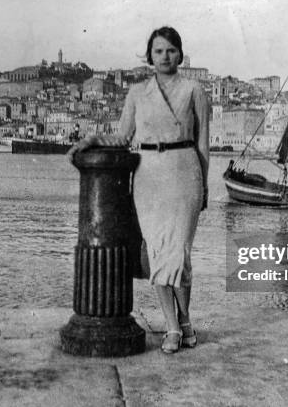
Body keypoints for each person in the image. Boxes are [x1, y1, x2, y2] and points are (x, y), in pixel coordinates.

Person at [69, 26, 209, 354]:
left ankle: (185, 319)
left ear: (180, 54)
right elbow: (122, 137)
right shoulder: (136, 93)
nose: (165, 56)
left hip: (184, 172)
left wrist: (203, 186)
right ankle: (173, 326)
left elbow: (203, 146)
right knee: (157, 253)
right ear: (150, 56)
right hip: (149, 176)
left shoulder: (194, 90)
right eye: (158, 51)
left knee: (179, 254)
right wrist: (91, 140)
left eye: (171, 50)